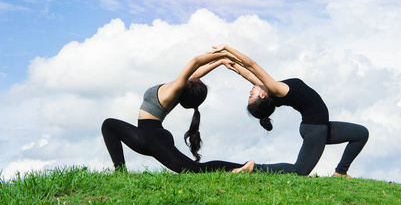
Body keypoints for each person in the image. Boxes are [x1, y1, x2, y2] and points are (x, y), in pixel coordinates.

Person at [209, 44, 369, 178]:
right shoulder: (275, 88)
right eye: (252, 95)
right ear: (263, 96)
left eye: (250, 94)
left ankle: (340, 172)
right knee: (300, 171)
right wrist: (227, 49)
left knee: (361, 133)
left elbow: (245, 71)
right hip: (314, 128)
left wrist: (225, 60)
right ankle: (255, 167)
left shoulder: (269, 90)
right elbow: (251, 65)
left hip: (320, 126)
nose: (251, 90)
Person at [101, 51, 249, 173]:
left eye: (197, 80)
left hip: (154, 138)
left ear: (189, 86)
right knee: (108, 125)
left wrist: (224, 55)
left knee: (194, 170)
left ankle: (240, 168)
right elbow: (198, 72)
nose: (196, 77)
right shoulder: (178, 89)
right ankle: (120, 172)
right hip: (143, 135)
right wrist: (220, 62)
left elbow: (196, 61)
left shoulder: (176, 89)